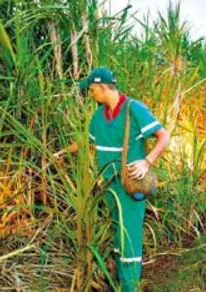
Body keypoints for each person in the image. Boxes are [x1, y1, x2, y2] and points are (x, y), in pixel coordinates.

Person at [55, 67, 169, 291]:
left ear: (102, 87)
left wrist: (146, 161)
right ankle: (119, 283)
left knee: (129, 238)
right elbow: (86, 143)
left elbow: (163, 136)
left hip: (130, 186)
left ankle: (130, 288)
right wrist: (61, 153)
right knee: (118, 234)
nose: (91, 94)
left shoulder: (133, 109)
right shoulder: (99, 116)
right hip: (108, 185)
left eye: (91, 90)